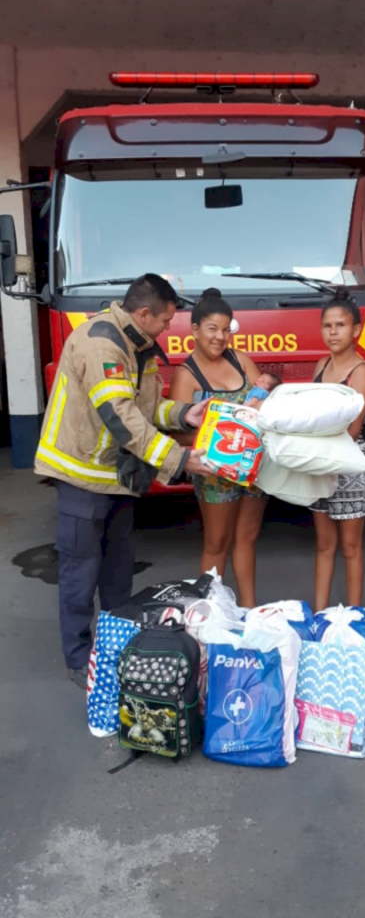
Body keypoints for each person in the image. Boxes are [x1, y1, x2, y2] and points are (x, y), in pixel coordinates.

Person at [34, 274, 210, 688]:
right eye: (166, 321)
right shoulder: (102, 345)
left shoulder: (135, 343)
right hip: (82, 478)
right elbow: (121, 416)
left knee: (116, 572)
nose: (169, 328)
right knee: (80, 574)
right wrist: (180, 458)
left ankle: (115, 645)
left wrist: (183, 415)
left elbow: (144, 407)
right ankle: (79, 658)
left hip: (117, 477)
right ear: (144, 313)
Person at [168, 288, 267, 607]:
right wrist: (220, 435)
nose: (220, 336)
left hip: (252, 468)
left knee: (247, 539)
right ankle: (211, 613)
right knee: (216, 544)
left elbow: (267, 400)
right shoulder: (186, 375)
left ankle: (249, 611)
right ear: (194, 330)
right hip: (213, 474)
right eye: (212, 329)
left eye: (226, 329)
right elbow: (178, 434)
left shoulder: (240, 361)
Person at [309, 291, 365, 611]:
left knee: (350, 547)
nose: (333, 332)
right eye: (327, 325)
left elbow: (352, 428)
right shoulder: (321, 365)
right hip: (320, 465)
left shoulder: (362, 372)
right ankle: (320, 615)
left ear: (357, 330)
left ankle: (353, 617)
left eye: (340, 325)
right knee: (324, 545)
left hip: (352, 467)